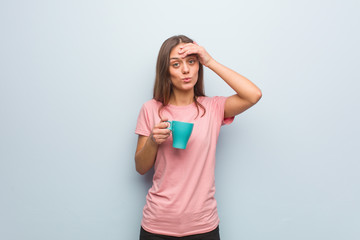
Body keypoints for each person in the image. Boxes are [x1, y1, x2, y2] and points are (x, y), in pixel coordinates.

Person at [135, 35, 262, 240]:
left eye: (191, 62)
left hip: (203, 226)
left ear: (198, 66)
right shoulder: (150, 109)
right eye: (176, 64)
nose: (185, 70)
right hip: (157, 226)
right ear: (165, 71)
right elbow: (140, 168)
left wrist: (210, 61)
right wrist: (152, 141)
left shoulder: (213, 108)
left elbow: (253, 95)